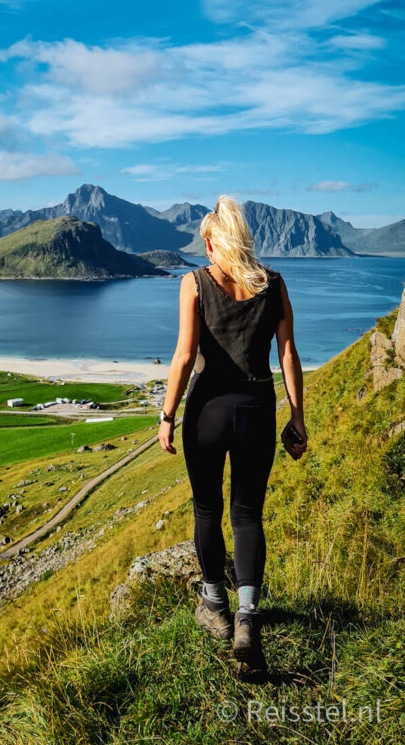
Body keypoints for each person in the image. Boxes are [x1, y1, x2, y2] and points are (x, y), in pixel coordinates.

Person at [158, 195, 307, 669]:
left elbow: (183, 358)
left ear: (210, 240)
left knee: (207, 508)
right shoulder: (275, 283)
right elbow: (287, 354)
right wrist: (297, 417)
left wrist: (166, 415)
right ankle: (248, 617)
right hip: (258, 409)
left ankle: (215, 608)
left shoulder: (194, 283)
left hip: (207, 412)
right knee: (248, 515)